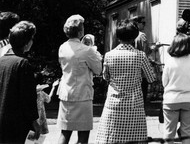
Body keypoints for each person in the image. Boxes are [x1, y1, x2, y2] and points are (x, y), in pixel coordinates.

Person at [95, 19, 156, 144]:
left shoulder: (109, 55)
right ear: (134, 37)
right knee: (134, 139)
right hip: (134, 105)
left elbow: (106, 77)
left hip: (113, 104)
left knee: (111, 138)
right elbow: (151, 78)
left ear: (118, 37)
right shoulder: (140, 55)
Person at [57, 14, 102, 144]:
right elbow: (98, 70)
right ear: (81, 31)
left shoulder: (62, 47)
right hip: (83, 95)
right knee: (83, 135)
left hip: (66, 93)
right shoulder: (87, 50)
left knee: (65, 133)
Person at [0, 20, 40, 143]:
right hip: (16, 124)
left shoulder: (2, 61)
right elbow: (27, 97)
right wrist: (35, 122)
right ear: (27, 43)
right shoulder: (23, 64)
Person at [162, 33, 190, 144]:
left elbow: (165, 82)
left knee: (169, 132)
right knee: (187, 132)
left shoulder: (169, 61)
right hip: (189, 99)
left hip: (171, 99)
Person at [133, 15, 151, 102]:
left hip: (132, 70)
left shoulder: (131, 35)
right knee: (142, 95)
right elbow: (145, 52)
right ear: (137, 23)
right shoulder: (142, 35)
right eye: (143, 23)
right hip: (141, 70)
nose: (144, 25)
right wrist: (156, 47)